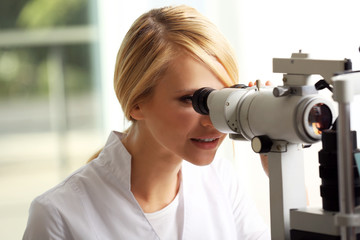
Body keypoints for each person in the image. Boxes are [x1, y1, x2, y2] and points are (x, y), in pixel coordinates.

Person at [23, 5, 270, 240]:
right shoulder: (58, 215)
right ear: (136, 104)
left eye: (226, 99)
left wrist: (281, 166)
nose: (214, 121)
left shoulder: (223, 182)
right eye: (193, 100)